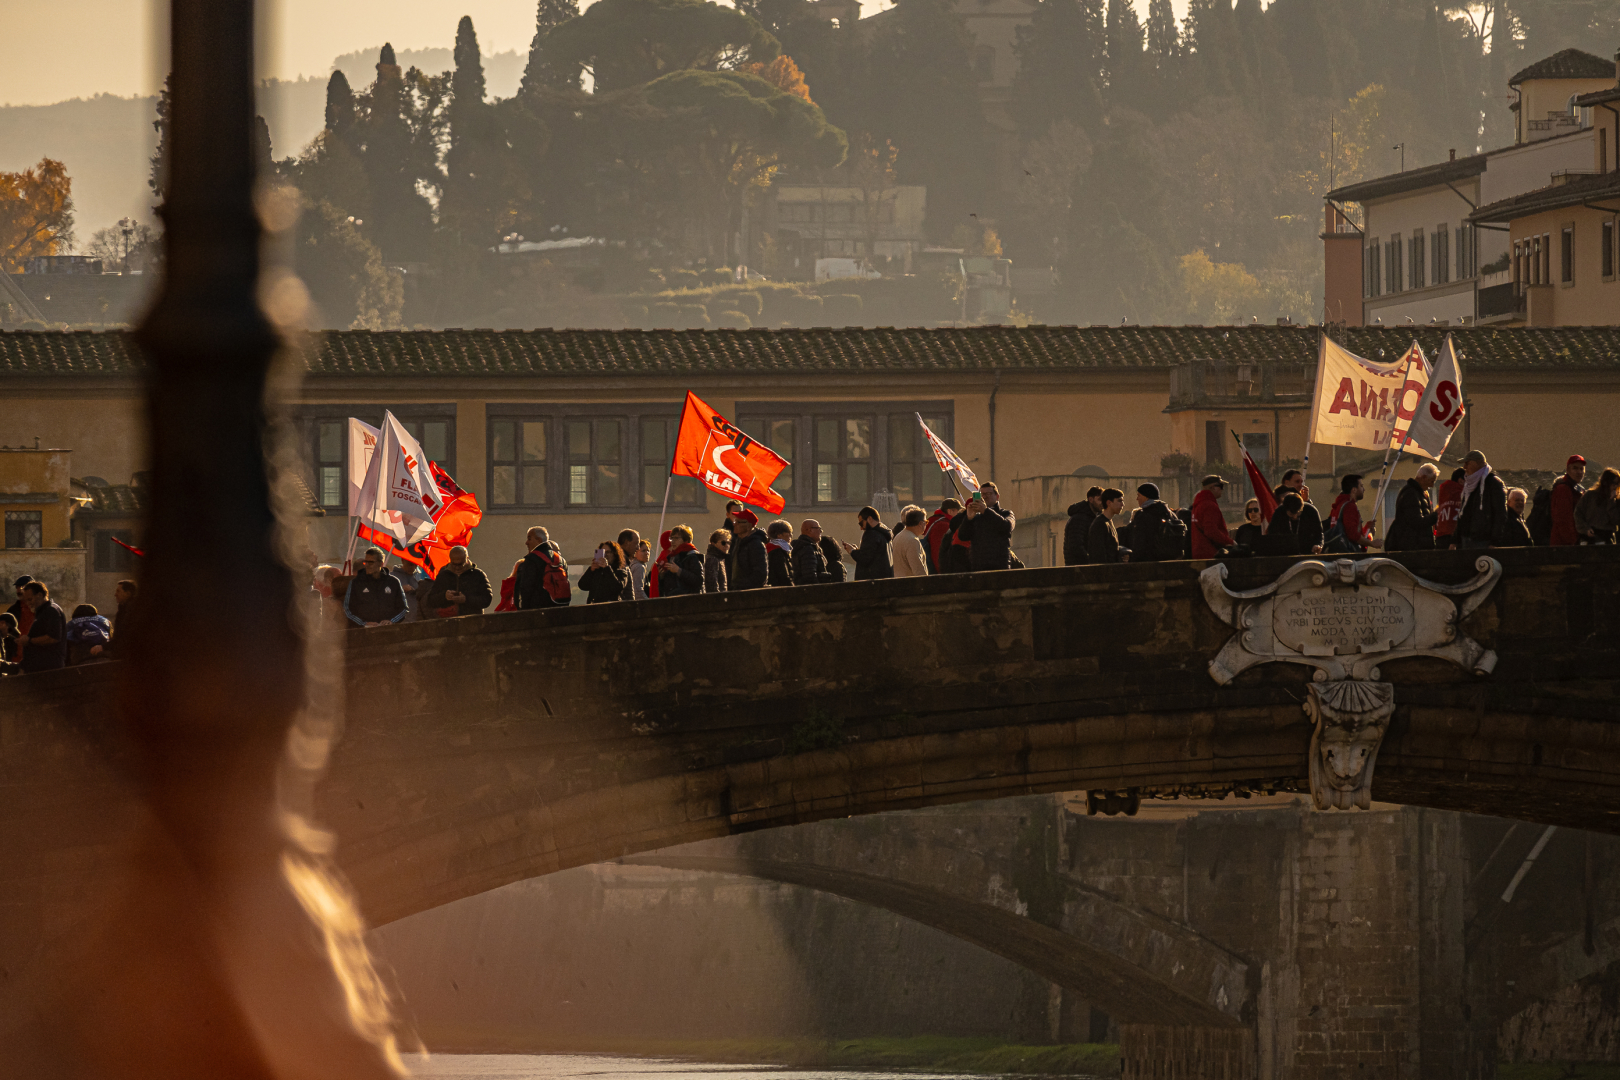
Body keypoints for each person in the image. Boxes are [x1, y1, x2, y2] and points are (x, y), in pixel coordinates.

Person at [344, 547, 408, 627]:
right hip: (363, 634)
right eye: (365, 562)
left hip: (388, 632)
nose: (367, 565)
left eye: (371, 562)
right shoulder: (355, 583)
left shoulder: (393, 582)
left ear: (381, 564)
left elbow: (403, 609)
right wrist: (364, 623)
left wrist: (391, 621)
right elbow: (347, 609)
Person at [1456, 450, 1507, 550]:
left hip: (1484, 541)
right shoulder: (1469, 485)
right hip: (1466, 539)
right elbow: (1462, 514)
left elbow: (1500, 514)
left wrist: (1495, 542)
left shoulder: (1492, 483)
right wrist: (1455, 540)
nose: (1464, 467)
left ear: (1475, 463)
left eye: (1467, 463)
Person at [424, 545, 493, 617]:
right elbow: (430, 601)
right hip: (447, 622)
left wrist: (466, 599)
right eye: (454, 564)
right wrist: (445, 596)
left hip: (472, 622)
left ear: (467, 559)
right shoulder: (443, 575)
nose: (457, 568)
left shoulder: (478, 575)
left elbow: (487, 599)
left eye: (460, 564)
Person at [1385, 463, 1439, 552]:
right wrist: (1436, 515)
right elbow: (1417, 522)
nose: (1432, 485)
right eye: (1432, 481)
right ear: (1424, 477)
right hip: (1413, 546)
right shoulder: (1412, 494)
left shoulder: (1414, 493)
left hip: (1413, 544)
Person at [514, 526, 569, 609]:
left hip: (537, 612)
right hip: (559, 610)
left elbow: (525, 589)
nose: (526, 543)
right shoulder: (560, 560)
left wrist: (522, 611)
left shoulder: (532, 560)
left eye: (529, 539)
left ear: (538, 540)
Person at [18, 582, 66, 673]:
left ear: (40, 595)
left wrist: (29, 640)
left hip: (47, 669)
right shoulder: (43, 612)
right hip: (40, 667)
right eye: (26, 601)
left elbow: (53, 638)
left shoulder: (51, 611)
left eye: (30, 599)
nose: (28, 603)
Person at [968, 482, 1016, 571]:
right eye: (982, 495)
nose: (985, 497)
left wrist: (985, 511)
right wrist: (968, 518)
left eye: (988, 494)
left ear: (997, 496)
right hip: (978, 566)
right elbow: (963, 535)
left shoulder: (1006, 513)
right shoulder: (977, 518)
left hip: (999, 565)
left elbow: (1007, 527)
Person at [1124, 484, 1177, 562]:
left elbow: (1140, 541)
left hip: (1148, 561)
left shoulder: (1143, 514)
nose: (1137, 498)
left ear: (1146, 496)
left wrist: (1133, 560)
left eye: (1139, 495)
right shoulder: (1170, 514)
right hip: (1168, 560)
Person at [1190, 475, 1235, 559]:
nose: (1222, 489)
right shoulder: (1209, 505)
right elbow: (1211, 531)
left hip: (1198, 554)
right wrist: (1230, 542)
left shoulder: (1197, 504)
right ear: (1213, 487)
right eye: (1221, 486)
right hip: (1211, 555)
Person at [844, 506, 894, 580]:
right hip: (884, 581)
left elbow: (865, 559)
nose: (861, 528)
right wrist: (858, 551)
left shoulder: (871, 534)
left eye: (861, 523)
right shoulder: (884, 534)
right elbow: (873, 555)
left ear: (869, 518)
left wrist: (851, 551)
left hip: (871, 583)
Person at [1327, 474, 1373, 552]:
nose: (1364, 489)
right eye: (1361, 486)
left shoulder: (1338, 505)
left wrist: (1367, 529)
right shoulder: (1350, 507)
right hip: (1348, 554)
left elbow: (1347, 529)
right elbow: (1353, 535)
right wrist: (1372, 543)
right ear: (1354, 490)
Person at [1575, 467, 1620, 544]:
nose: (1616, 486)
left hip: (1607, 537)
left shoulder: (1616, 500)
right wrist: (1585, 529)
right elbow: (1578, 513)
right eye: (1614, 483)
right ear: (1606, 482)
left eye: (1618, 484)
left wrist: (1611, 501)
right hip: (1588, 537)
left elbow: (1617, 520)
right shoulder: (1590, 496)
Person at [656, 525, 705, 595]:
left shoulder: (692, 556)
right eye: (671, 538)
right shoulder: (672, 557)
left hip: (689, 601)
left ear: (686, 540)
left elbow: (698, 581)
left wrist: (679, 571)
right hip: (674, 601)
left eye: (676, 538)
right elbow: (667, 587)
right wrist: (662, 576)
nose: (672, 541)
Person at [1550, 455, 1587, 546]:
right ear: (1568, 470)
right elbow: (1563, 520)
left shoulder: (1577, 489)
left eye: (1581, 469)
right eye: (1575, 468)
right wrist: (1573, 541)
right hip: (1564, 545)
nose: (1579, 472)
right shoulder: (1563, 489)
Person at [1086, 488, 1129, 563]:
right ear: (1109, 503)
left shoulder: (1108, 521)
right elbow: (1098, 555)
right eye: (1119, 501)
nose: (1123, 504)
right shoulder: (1100, 524)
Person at [1063, 487, 1103, 566]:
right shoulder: (1079, 519)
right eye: (1099, 499)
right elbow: (1076, 546)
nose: (1102, 503)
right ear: (1091, 499)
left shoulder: (1095, 518)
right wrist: (1090, 561)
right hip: (1079, 568)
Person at [730, 509, 768, 590]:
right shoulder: (738, 542)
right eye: (734, 521)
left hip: (749, 595)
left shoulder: (756, 545)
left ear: (748, 526)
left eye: (738, 522)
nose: (734, 524)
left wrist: (741, 586)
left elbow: (760, 575)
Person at [922, 499, 962, 573]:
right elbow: (938, 551)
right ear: (950, 511)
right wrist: (942, 573)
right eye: (958, 511)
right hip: (939, 572)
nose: (959, 515)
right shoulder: (943, 525)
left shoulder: (936, 520)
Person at [893, 508, 930, 578]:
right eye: (926, 522)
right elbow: (918, 570)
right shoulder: (912, 541)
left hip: (899, 582)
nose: (926, 525)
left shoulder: (899, 536)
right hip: (911, 585)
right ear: (920, 524)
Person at [1434, 468, 1465, 548]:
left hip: (1440, 536)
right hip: (1455, 536)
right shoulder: (1462, 493)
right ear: (1461, 481)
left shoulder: (1444, 492)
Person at [618, 528, 649, 600]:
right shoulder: (621, 563)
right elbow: (637, 591)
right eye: (636, 543)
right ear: (626, 543)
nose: (638, 547)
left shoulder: (627, 562)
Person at [765, 520, 796, 586]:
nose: (791, 535)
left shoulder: (768, 548)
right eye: (788, 532)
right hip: (780, 589)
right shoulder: (778, 551)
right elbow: (783, 574)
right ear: (779, 535)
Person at [6, 575, 35, 641]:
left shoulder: (42, 609)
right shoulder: (13, 610)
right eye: (17, 587)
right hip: (18, 649)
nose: (18, 591)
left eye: (22, 587)